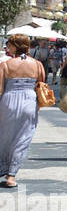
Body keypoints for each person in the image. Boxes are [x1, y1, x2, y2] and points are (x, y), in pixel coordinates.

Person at [0, 35, 45, 187]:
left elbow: (0, 90)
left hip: (8, 101)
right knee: (23, 139)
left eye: (10, 44)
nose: (8, 47)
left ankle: (2, 167)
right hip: (29, 102)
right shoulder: (37, 64)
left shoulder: (6, 65)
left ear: (15, 46)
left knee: (4, 136)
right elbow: (41, 86)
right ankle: (11, 175)